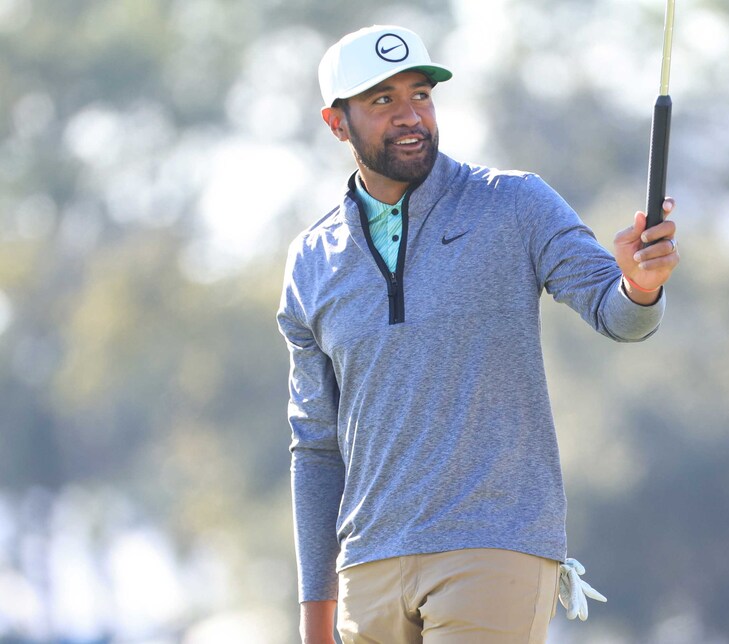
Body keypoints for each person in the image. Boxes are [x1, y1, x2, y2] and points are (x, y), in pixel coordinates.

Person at [276, 24, 680, 644]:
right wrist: (315, 618)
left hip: (493, 544)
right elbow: (316, 446)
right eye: (383, 101)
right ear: (337, 123)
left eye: (421, 95)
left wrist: (641, 283)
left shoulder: (515, 204)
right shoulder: (311, 261)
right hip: (368, 565)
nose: (411, 116)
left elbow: (616, 312)